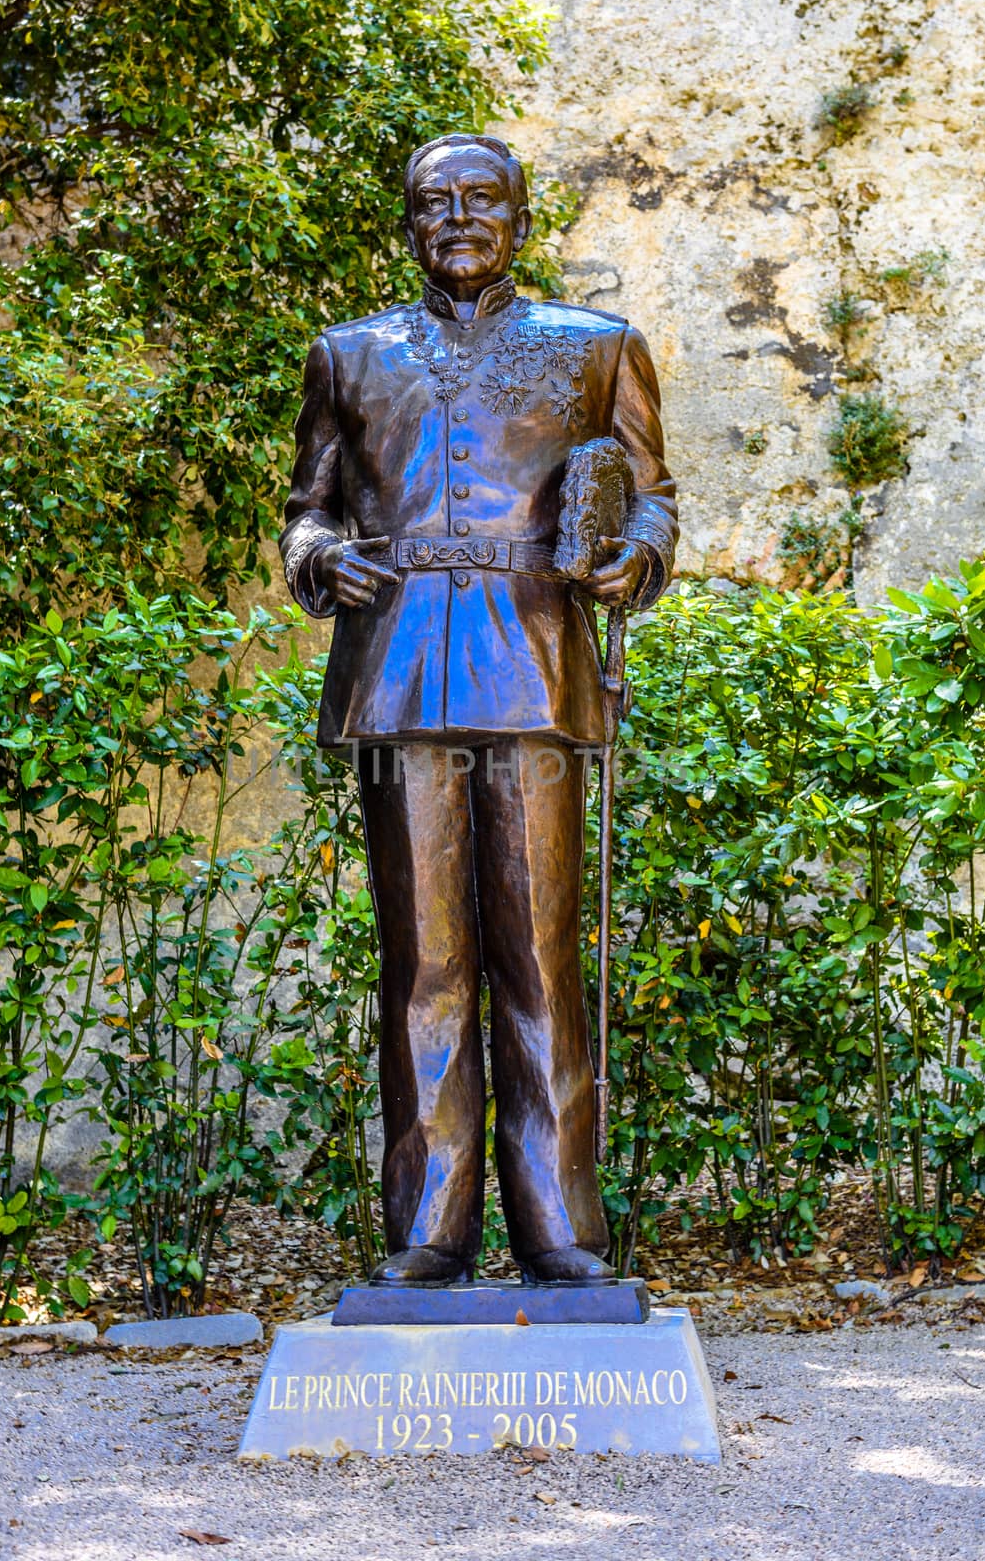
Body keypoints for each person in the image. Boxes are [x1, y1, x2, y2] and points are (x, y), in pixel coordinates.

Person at [279, 133, 678, 1286]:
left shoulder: (596, 349)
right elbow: (307, 509)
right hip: (398, 673)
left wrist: (630, 562)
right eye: (433, 203)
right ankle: (428, 1228)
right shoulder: (348, 357)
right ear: (409, 222)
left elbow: (653, 503)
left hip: (539, 671)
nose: (457, 219)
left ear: (520, 213)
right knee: (425, 964)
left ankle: (560, 1224)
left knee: (543, 955)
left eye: (480, 200)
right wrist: (318, 561)